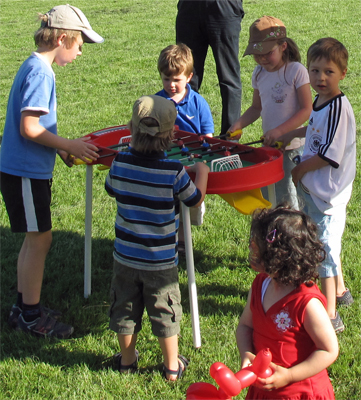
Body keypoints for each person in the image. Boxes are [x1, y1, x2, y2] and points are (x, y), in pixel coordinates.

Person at [0, 5, 103, 338]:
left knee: (35, 240)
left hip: (24, 170)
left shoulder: (34, 65)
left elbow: (38, 124)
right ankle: (30, 316)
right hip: (24, 172)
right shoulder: (42, 72)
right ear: (62, 39)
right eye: (80, 44)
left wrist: (59, 148)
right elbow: (29, 127)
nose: (81, 51)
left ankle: (23, 307)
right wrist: (69, 144)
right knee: (40, 240)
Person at [105, 95, 209, 380]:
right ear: (171, 134)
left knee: (125, 310)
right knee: (166, 312)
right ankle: (172, 367)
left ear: (132, 129)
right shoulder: (174, 171)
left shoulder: (119, 162)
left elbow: (110, 188)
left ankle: (127, 361)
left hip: (125, 256)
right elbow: (194, 199)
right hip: (161, 262)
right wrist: (203, 171)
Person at [272, 38, 356, 332]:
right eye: (315, 70)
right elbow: (312, 129)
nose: (320, 78)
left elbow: (328, 155)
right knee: (325, 243)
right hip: (316, 189)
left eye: (329, 72)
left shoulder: (338, 108)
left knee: (324, 252)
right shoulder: (321, 102)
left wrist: (299, 171)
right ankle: (341, 292)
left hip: (327, 194)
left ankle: (330, 315)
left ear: (343, 73)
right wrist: (290, 133)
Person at [236, 204, 339, 399]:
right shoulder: (260, 285)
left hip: (300, 393)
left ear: (278, 258)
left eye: (258, 248)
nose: (252, 249)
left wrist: (290, 375)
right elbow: (244, 326)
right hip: (264, 391)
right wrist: (246, 353)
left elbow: (329, 349)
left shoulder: (306, 303)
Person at [229, 16, 313, 209]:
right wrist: (239, 124)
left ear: (283, 46)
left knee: (291, 200)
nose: (262, 59)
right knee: (272, 197)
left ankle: (292, 235)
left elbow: (306, 109)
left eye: (267, 53)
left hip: (294, 149)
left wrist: (280, 131)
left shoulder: (296, 71)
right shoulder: (259, 73)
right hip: (271, 148)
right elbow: (256, 108)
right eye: (257, 54)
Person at [175, 0, 244, 136]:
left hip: (223, 7)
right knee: (185, 75)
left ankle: (230, 141)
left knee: (228, 78)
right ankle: (185, 137)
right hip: (190, 8)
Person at [156, 43, 214, 136]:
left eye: (177, 80)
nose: (171, 84)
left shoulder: (198, 103)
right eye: (166, 79)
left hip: (194, 149)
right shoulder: (156, 102)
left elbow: (207, 135)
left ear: (189, 77)